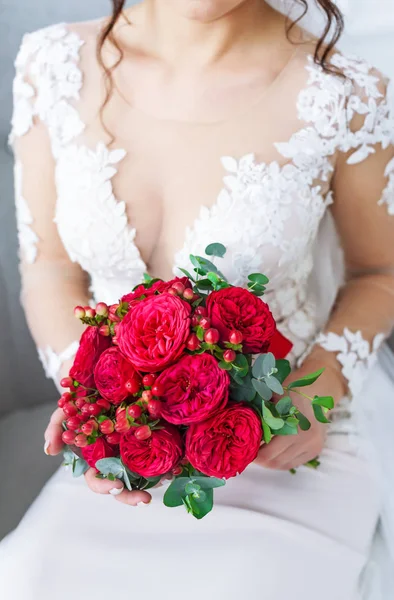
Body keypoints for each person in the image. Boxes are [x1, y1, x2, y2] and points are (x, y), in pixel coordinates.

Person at [1, 1, 394, 598]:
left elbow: (380, 272)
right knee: (28, 579)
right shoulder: (52, 65)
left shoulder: (346, 94)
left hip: (283, 442)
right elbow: (51, 269)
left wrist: (313, 394)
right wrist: (91, 407)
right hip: (130, 452)